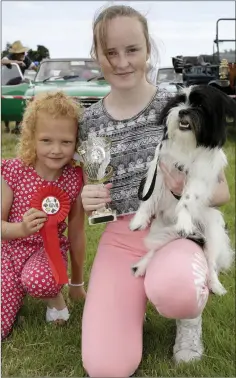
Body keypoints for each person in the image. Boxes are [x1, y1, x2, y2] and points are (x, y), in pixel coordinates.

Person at [79, 5, 231, 377]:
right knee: (106, 367)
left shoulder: (179, 104)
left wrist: (181, 191)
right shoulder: (88, 120)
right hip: (121, 238)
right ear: (97, 56)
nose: (122, 61)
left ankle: (188, 318)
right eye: (110, 52)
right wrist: (85, 198)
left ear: (148, 49)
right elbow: (89, 182)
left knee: (178, 289)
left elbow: (222, 190)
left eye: (131, 49)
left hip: (175, 231)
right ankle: (128, 307)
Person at [1, 91, 86, 340]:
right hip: (7, 252)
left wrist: (77, 284)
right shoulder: (14, 172)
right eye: (46, 140)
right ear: (32, 138)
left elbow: (77, 232)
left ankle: (54, 299)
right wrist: (21, 230)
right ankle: (10, 293)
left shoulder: (74, 179)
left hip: (46, 253)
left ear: (76, 142)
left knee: (40, 280)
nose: (56, 150)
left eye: (66, 142)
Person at [2, 41, 38, 134]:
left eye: (23, 52)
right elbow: (2, 61)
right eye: (21, 53)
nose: (23, 54)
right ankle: (7, 126)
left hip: (18, 83)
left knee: (19, 103)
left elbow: (34, 67)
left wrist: (41, 72)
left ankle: (18, 127)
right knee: (8, 103)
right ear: (16, 54)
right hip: (6, 83)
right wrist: (16, 62)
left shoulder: (26, 59)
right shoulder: (10, 57)